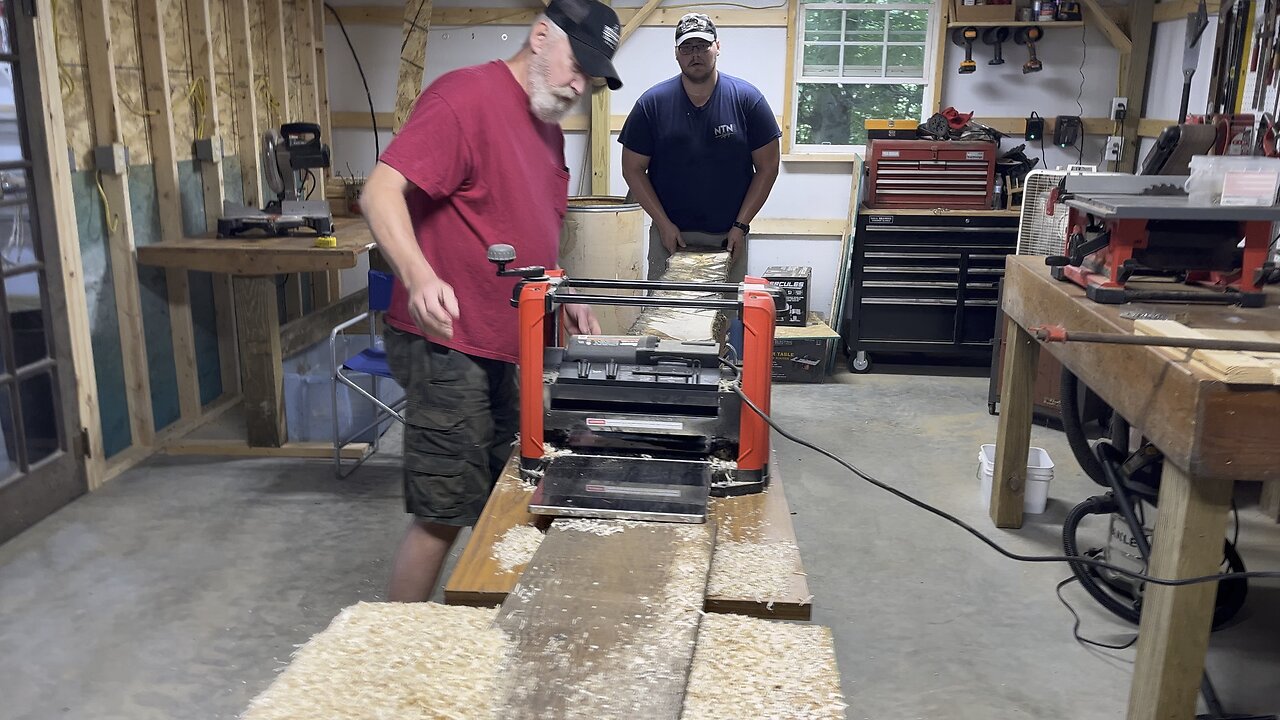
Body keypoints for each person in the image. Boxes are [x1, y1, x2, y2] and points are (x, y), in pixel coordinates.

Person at [359, 0, 621, 603]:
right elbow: (380, 192)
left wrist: (564, 290)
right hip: (446, 337)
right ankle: (390, 652)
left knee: (510, 484)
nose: (580, 84)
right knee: (443, 506)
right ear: (538, 38)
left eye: (592, 76)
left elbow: (528, 226)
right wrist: (420, 275)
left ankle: (482, 619)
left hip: (506, 340)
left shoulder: (547, 128)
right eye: (576, 65)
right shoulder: (465, 99)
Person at [618, 13, 781, 282]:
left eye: (702, 46)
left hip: (729, 237)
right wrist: (663, 224)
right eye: (687, 47)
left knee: (723, 318)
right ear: (676, 54)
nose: (695, 54)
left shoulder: (748, 101)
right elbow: (632, 169)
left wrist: (741, 225)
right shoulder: (652, 105)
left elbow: (768, 167)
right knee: (664, 317)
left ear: (718, 46)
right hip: (669, 237)